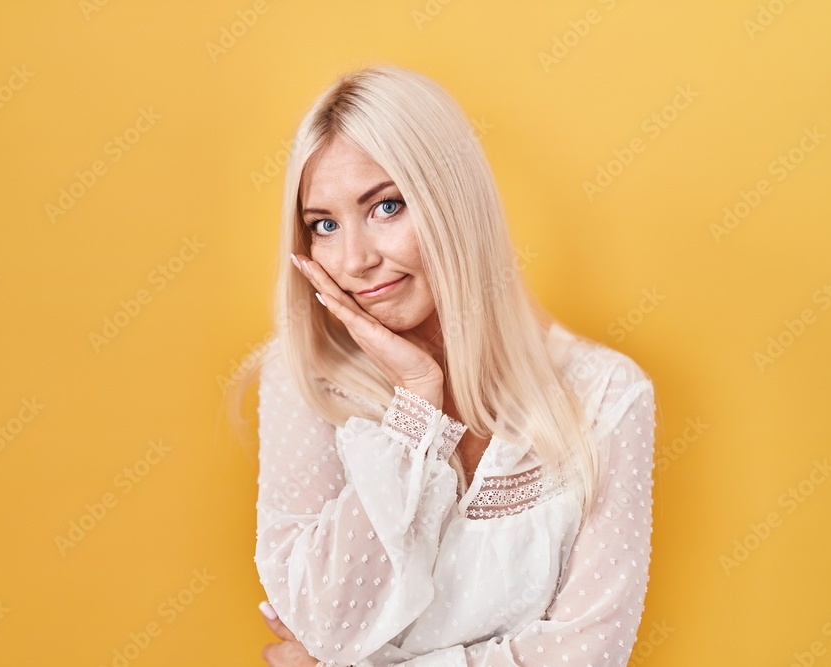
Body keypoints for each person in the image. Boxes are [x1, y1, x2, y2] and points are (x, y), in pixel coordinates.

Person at [245, 64, 657, 666]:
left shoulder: (605, 395)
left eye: (386, 206)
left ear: (453, 201)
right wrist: (417, 402)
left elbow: (589, 654)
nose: (355, 259)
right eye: (324, 226)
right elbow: (329, 625)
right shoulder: (305, 378)